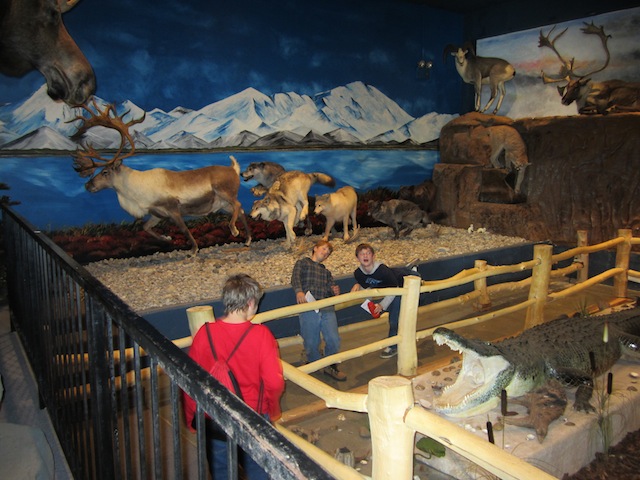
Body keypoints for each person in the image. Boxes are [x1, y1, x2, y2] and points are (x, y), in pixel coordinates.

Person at [183, 273, 284, 480]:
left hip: (216, 417)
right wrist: (272, 409)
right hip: (252, 417)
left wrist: (191, 418)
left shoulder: (204, 333)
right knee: (259, 471)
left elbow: (191, 382)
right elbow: (273, 382)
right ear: (250, 302)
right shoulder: (261, 335)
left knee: (222, 472)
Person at [351, 243, 420, 359]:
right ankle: (409, 267)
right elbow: (367, 289)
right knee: (394, 316)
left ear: (373, 256)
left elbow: (394, 289)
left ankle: (393, 346)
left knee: (394, 319)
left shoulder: (382, 270)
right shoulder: (358, 273)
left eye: (368, 253)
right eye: (362, 254)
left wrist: (382, 305)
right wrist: (369, 306)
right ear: (357, 258)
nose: (365, 256)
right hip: (391, 283)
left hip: (402, 285)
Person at [290, 240, 347, 381]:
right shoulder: (303, 263)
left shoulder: (326, 272)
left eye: (328, 252)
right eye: (324, 249)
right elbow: (295, 277)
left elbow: (331, 289)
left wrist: (334, 291)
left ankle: (330, 365)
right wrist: (299, 291)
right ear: (315, 248)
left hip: (326, 306)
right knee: (311, 339)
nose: (326, 253)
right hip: (308, 305)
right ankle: (313, 362)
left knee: (333, 338)